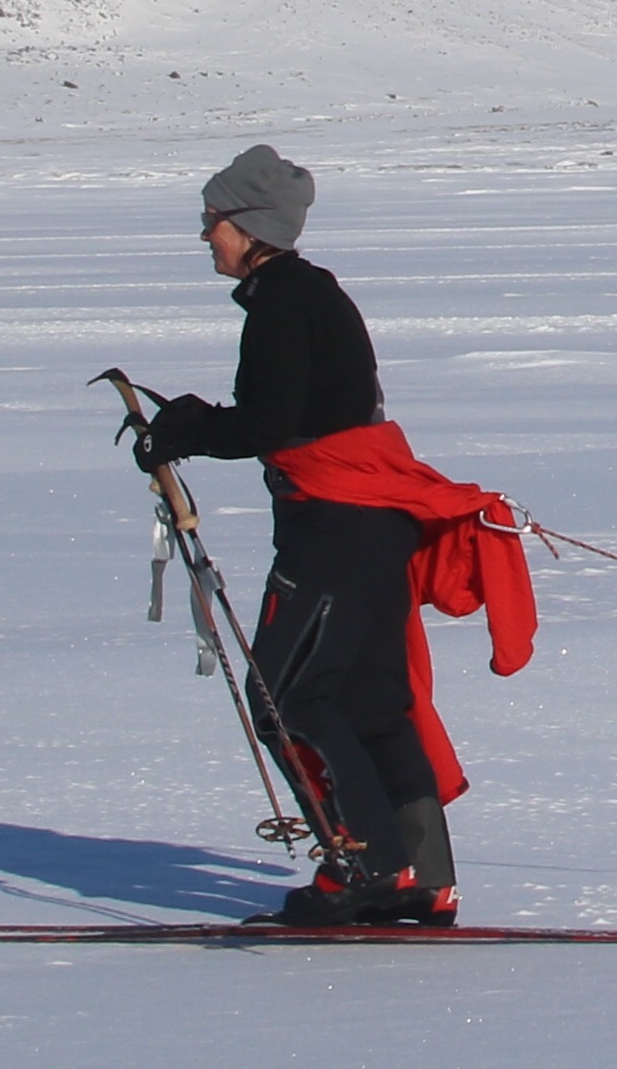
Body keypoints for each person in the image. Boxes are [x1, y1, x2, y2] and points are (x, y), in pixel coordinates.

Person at [129, 144, 533, 926]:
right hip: (370, 524)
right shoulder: (308, 294)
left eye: (212, 220)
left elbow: (267, 423)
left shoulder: (283, 302)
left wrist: (183, 431)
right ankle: (421, 878)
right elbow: (296, 416)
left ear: (249, 226)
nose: (205, 235)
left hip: (336, 529)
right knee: (372, 700)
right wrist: (197, 423)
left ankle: (367, 866)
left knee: (285, 697)